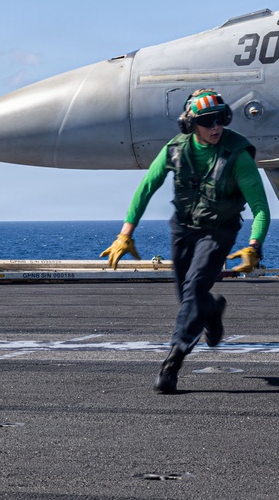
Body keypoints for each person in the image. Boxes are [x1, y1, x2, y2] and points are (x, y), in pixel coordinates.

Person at [100, 89, 270, 394]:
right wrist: (124, 234)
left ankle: (173, 361)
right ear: (190, 124)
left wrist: (254, 246)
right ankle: (212, 309)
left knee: (194, 289)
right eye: (207, 121)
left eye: (221, 119)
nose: (216, 127)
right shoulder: (175, 150)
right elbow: (147, 187)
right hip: (183, 228)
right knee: (187, 295)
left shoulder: (237, 155)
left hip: (219, 230)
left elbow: (260, 207)